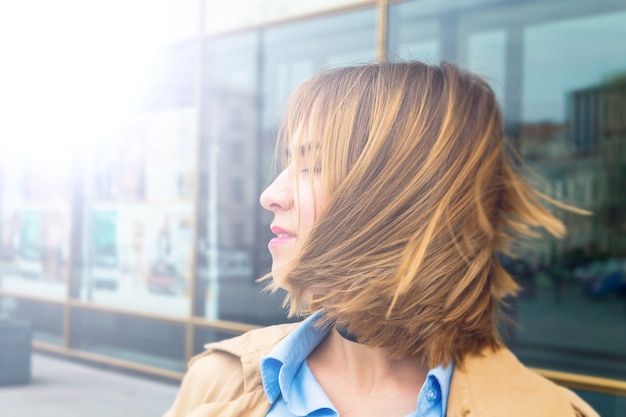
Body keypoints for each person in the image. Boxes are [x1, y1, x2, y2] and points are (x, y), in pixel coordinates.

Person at [164, 61, 598, 417]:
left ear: (402, 197)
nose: (270, 195)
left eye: (312, 166)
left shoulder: (545, 411)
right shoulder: (218, 381)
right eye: (288, 163)